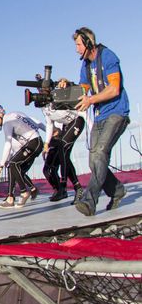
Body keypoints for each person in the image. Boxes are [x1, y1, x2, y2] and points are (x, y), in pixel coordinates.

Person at [57, 27, 131, 216]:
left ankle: (89, 201)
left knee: (99, 153)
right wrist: (67, 86)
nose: (77, 49)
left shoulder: (108, 57)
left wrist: (90, 100)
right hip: (100, 116)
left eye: (78, 45)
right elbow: (82, 91)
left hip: (116, 113)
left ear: (88, 43)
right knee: (94, 161)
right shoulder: (85, 66)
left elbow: (114, 89)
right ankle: (117, 191)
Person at [0, 105, 44, 208]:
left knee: (13, 164)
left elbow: (8, 144)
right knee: (12, 167)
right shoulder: (15, 113)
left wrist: (1, 165)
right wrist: (46, 131)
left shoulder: (7, 122)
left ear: (0, 114)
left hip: (33, 143)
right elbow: (34, 121)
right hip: (34, 143)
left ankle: (24, 192)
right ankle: (10, 199)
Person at [41, 97, 85, 202]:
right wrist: (46, 143)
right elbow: (49, 124)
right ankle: (75, 188)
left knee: (63, 152)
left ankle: (64, 186)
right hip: (63, 130)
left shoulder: (55, 98)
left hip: (71, 125)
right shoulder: (45, 109)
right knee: (60, 160)